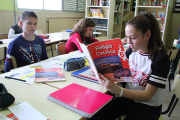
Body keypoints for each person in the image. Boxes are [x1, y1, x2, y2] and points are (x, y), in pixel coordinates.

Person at [86, 12, 170, 120]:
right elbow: (124, 73)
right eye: (127, 37)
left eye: (133, 38)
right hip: (128, 98)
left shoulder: (161, 59)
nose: (128, 42)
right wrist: (101, 70)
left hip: (148, 107)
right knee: (93, 116)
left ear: (147, 35)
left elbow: (147, 96)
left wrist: (118, 90)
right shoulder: (131, 50)